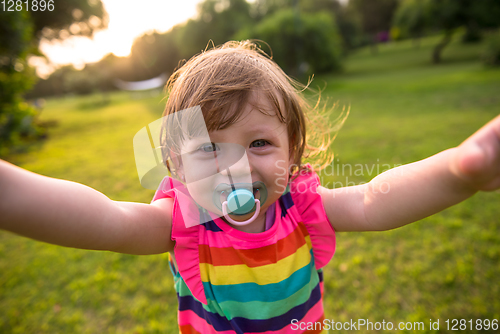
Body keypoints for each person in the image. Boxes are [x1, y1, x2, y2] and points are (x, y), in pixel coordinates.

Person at [0, 41, 499, 334]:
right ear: (175, 166)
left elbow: (374, 199)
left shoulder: (302, 206)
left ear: (292, 153)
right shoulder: (182, 221)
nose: (234, 169)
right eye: (209, 149)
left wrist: (460, 171)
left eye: (258, 142)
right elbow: (104, 218)